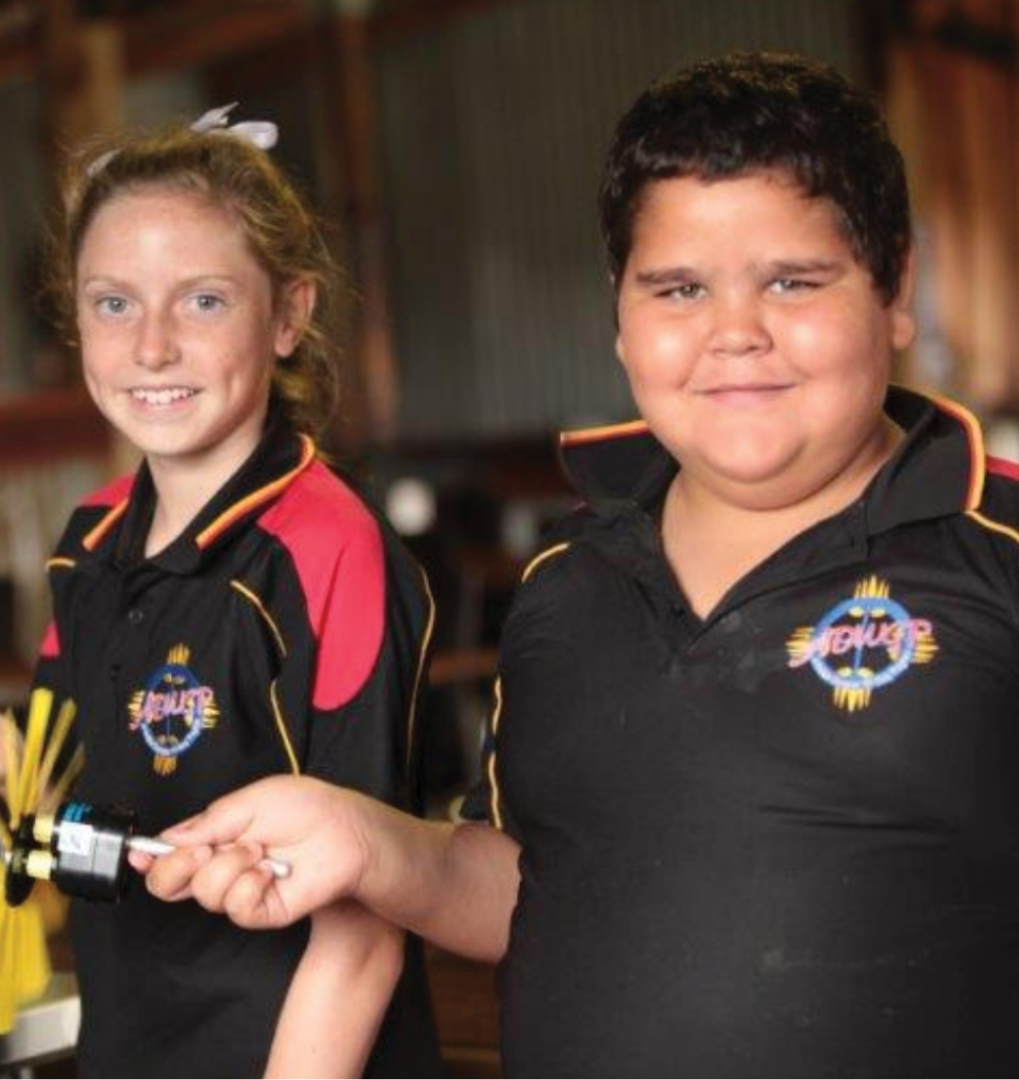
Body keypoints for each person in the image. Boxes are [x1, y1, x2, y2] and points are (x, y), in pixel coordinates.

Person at [140, 51, 1019, 1074]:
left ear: (896, 288)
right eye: (678, 288)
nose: (735, 333)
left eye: (792, 280)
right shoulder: (568, 580)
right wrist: (375, 846)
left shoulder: (993, 552)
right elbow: (534, 886)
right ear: (620, 310)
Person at [0, 106, 444, 1078]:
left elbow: (364, 921)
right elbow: (79, 809)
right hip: (127, 1046)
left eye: (203, 301)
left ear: (289, 314)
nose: (151, 347)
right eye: (113, 303)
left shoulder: (327, 547)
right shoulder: (89, 540)